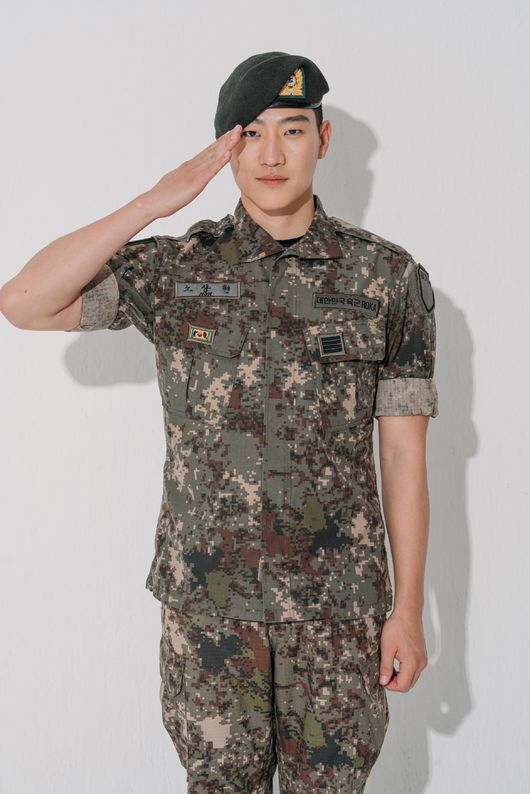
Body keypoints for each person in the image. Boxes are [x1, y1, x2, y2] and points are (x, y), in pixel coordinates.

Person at [0, 51, 438, 793]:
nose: (272, 155)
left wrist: (408, 610)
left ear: (323, 140)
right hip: (209, 612)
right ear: (225, 148)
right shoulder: (177, 270)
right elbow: (23, 302)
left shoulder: (388, 280)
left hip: (336, 614)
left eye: (292, 130)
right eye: (250, 134)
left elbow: (403, 457)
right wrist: (152, 203)